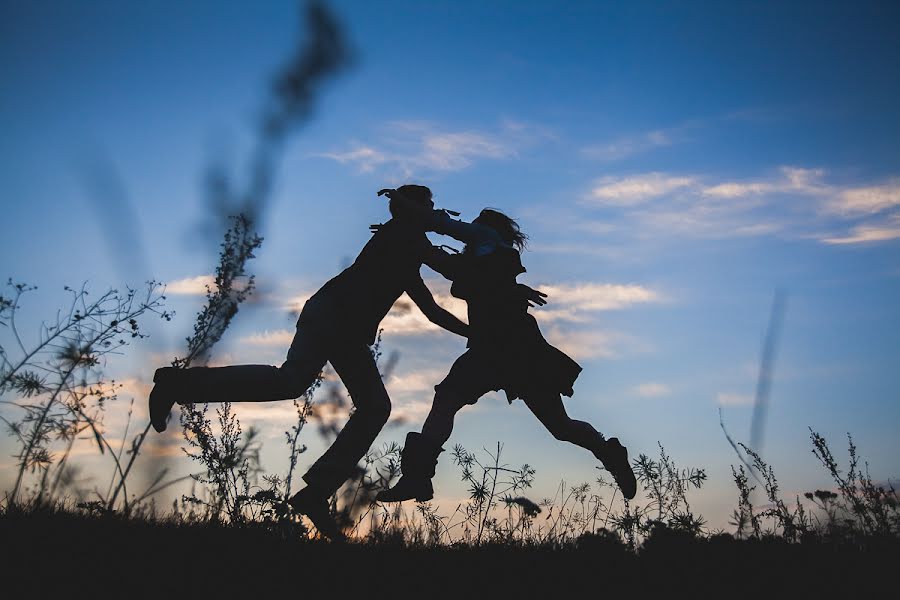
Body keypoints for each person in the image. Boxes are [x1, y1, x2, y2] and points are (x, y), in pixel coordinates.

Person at [148, 185, 470, 539]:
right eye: (429, 206)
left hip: (332, 315)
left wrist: (474, 333)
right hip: (336, 318)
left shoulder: (405, 248)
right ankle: (316, 492)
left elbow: (433, 311)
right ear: (416, 210)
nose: (434, 212)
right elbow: (450, 268)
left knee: (293, 383)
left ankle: (178, 385)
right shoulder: (403, 236)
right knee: (372, 406)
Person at [374, 193, 638, 503]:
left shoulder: (487, 239)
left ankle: (610, 454)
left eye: (473, 226)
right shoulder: (477, 259)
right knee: (456, 401)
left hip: (511, 347)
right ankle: (417, 479)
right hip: (499, 347)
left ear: (488, 229)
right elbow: (439, 261)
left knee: (558, 426)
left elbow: (442, 228)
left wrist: (407, 210)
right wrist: (404, 235)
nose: (468, 230)